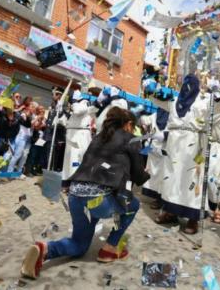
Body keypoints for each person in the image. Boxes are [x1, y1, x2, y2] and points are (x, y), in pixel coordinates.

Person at [20, 107, 149, 279]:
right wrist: (148, 172)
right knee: (134, 204)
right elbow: (138, 177)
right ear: (128, 124)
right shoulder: (131, 139)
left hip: (75, 195)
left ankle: (45, 249)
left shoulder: (97, 138)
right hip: (100, 199)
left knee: (79, 245)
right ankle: (110, 248)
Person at [156, 74, 220, 234]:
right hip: (173, 145)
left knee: (192, 179)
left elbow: (216, 113)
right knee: (172, 178)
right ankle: (170, 211)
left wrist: (217, 96)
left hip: (193, 144)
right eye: (185, 84)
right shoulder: (174, 103)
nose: (187, 88)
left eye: (191, 84)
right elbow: (157, 101)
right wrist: (155, 91)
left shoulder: (202, 102)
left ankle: (193, 219)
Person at [62, 89, 93, 186]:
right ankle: (67, 182)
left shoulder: (84, 103)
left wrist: (75, 101)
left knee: (75, 160)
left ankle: (75, 183)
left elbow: (77, 111)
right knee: (69, 160)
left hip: (80, 135)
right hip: (73, 133)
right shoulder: (78, 104)